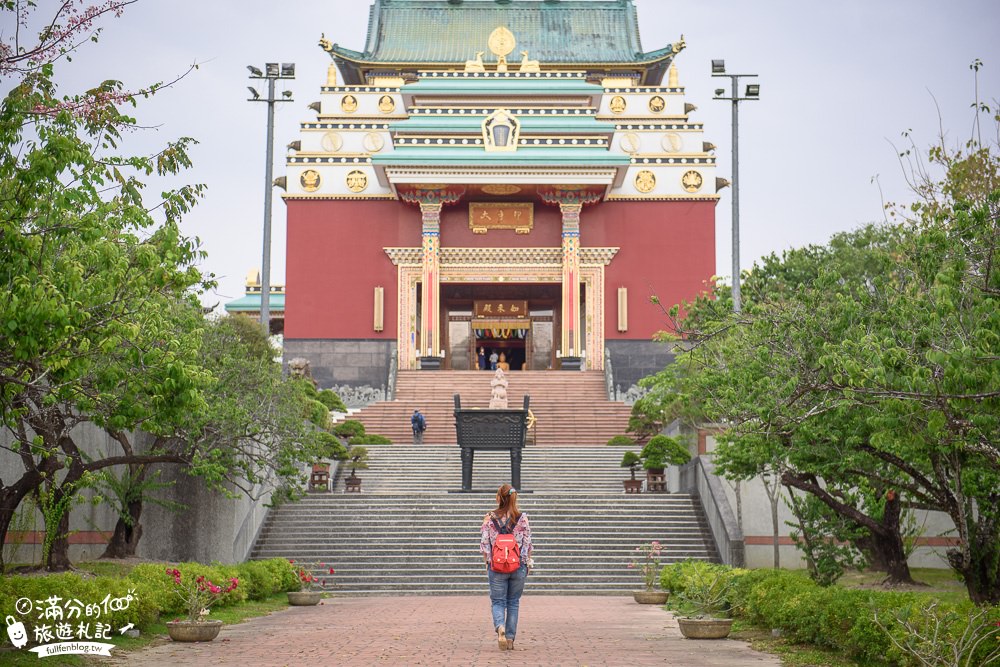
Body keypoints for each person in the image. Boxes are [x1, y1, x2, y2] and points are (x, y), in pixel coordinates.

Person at [480, 483, 533, 651]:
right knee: (513, 602)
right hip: (518, 565)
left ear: (499, 498)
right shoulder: (522, 518)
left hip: (496, 566)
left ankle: (500, 628)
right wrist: (526, 562)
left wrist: (487, 562)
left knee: (498, 601)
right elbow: (528, 544)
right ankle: (510, 639)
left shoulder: (489, 518)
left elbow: (484, 544)